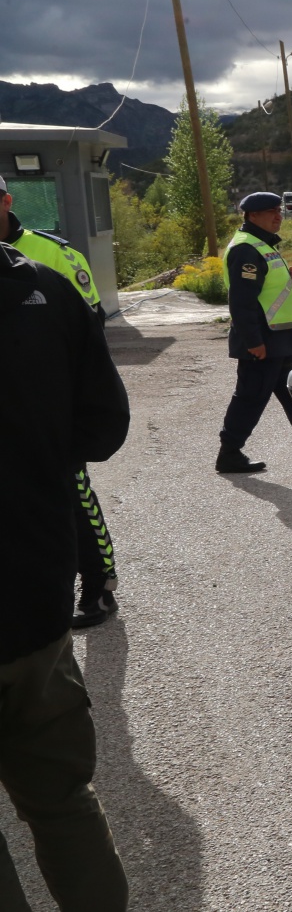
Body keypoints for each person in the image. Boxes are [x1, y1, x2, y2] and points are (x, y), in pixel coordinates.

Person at [0, 238, 132, 910]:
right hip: (34, 602)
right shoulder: (50, 292)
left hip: (36, 600)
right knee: (62, 804)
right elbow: (105, 426)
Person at [1, 175, 119, 628]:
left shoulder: (54, 253)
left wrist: (83, 414)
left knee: (73, 498)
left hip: (49, 412)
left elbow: (90, 339)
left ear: (7, 201)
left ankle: (98, 584)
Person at [218, 192, 292, 474]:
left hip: (280, 340)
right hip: (263, 342)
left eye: (279, 210)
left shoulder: (261, 244)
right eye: (271, 211)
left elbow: (265, 288)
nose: (278, 216)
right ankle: (229, 454)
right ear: (252, 215)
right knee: (250, 398)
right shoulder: (246, 249)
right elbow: (241, 302)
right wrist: (253, 342)